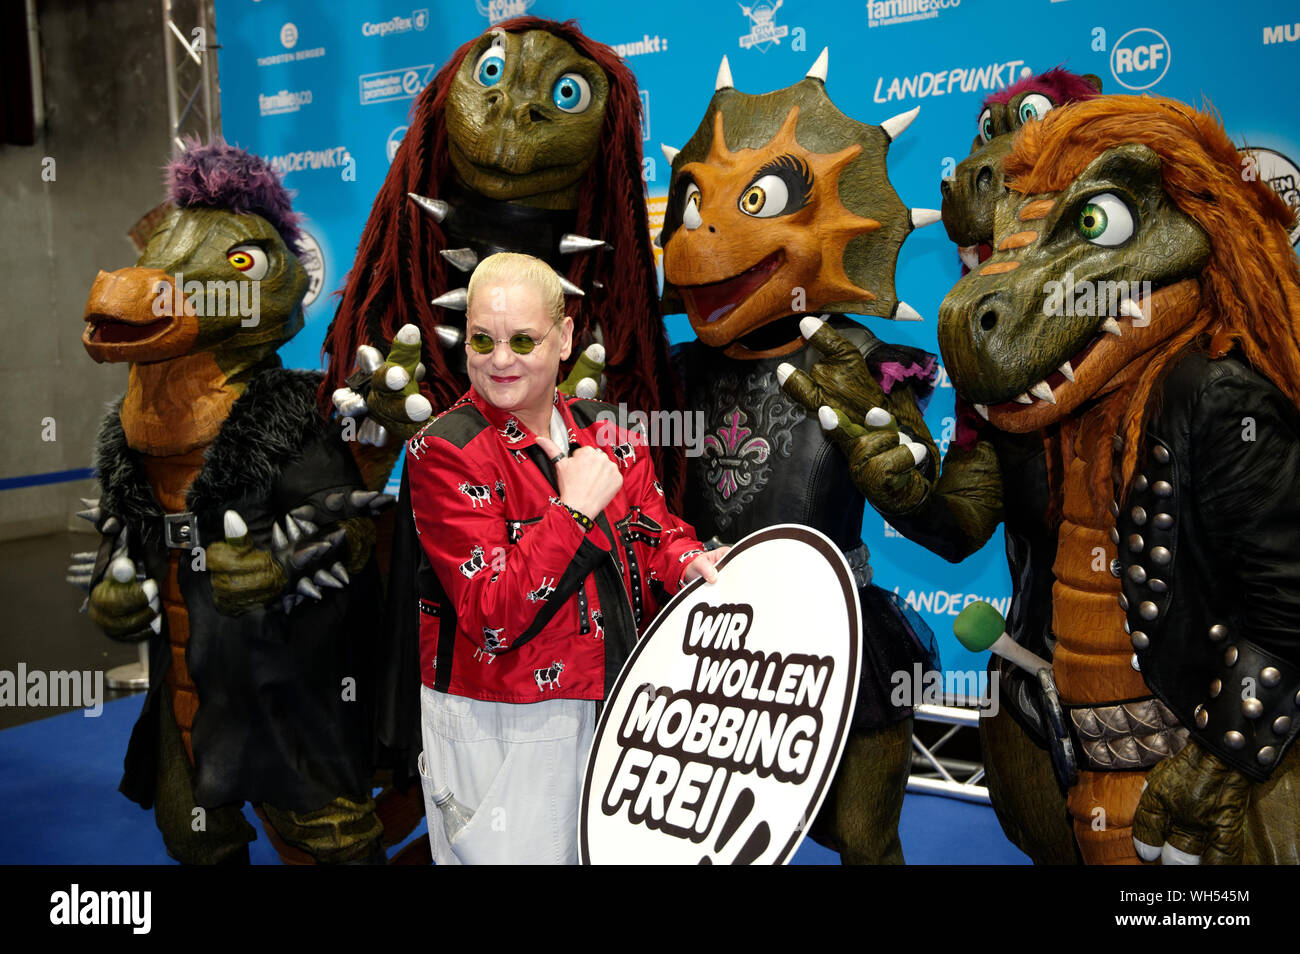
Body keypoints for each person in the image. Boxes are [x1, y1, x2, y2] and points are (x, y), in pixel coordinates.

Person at [406, 252, 726, 864]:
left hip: (620, 703)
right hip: (502, 719)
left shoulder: (608, 430)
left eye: (523, 339)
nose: (500, 359)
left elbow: (657, 531)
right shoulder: (444, 451)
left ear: (565, 339)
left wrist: (691, 561)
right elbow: (492, 615)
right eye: (482, 339)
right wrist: (573, 515)